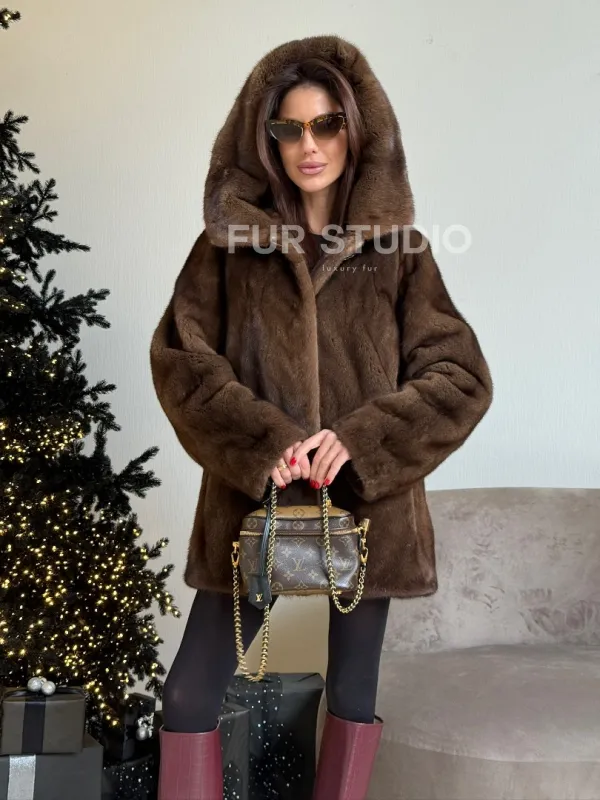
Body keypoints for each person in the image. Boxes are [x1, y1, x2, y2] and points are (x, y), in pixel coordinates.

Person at [149, 34, 493, 800]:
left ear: (354, 129)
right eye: (290, 128)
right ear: (267, 138)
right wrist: (262, 441)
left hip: (370, 514)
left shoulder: (400, 250)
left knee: (353, 696)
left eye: (326, 124)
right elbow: (181, 359)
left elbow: (459, 375)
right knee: (189, 695)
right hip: (252, 508)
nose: (310, 145)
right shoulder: (227, 248)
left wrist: (363, 440)